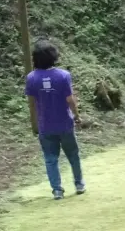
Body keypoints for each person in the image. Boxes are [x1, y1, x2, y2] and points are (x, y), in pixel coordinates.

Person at [26, 39, 84, 200]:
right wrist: (77, 116)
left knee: (51, 159)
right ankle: (79, 184)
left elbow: (32, 103)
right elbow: (70, 100)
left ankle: (57, 190)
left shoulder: (31, 78)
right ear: (54, 57)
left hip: (45, 125)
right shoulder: (63, 75)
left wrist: (35, 123)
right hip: (65, 123)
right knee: (73, 155)